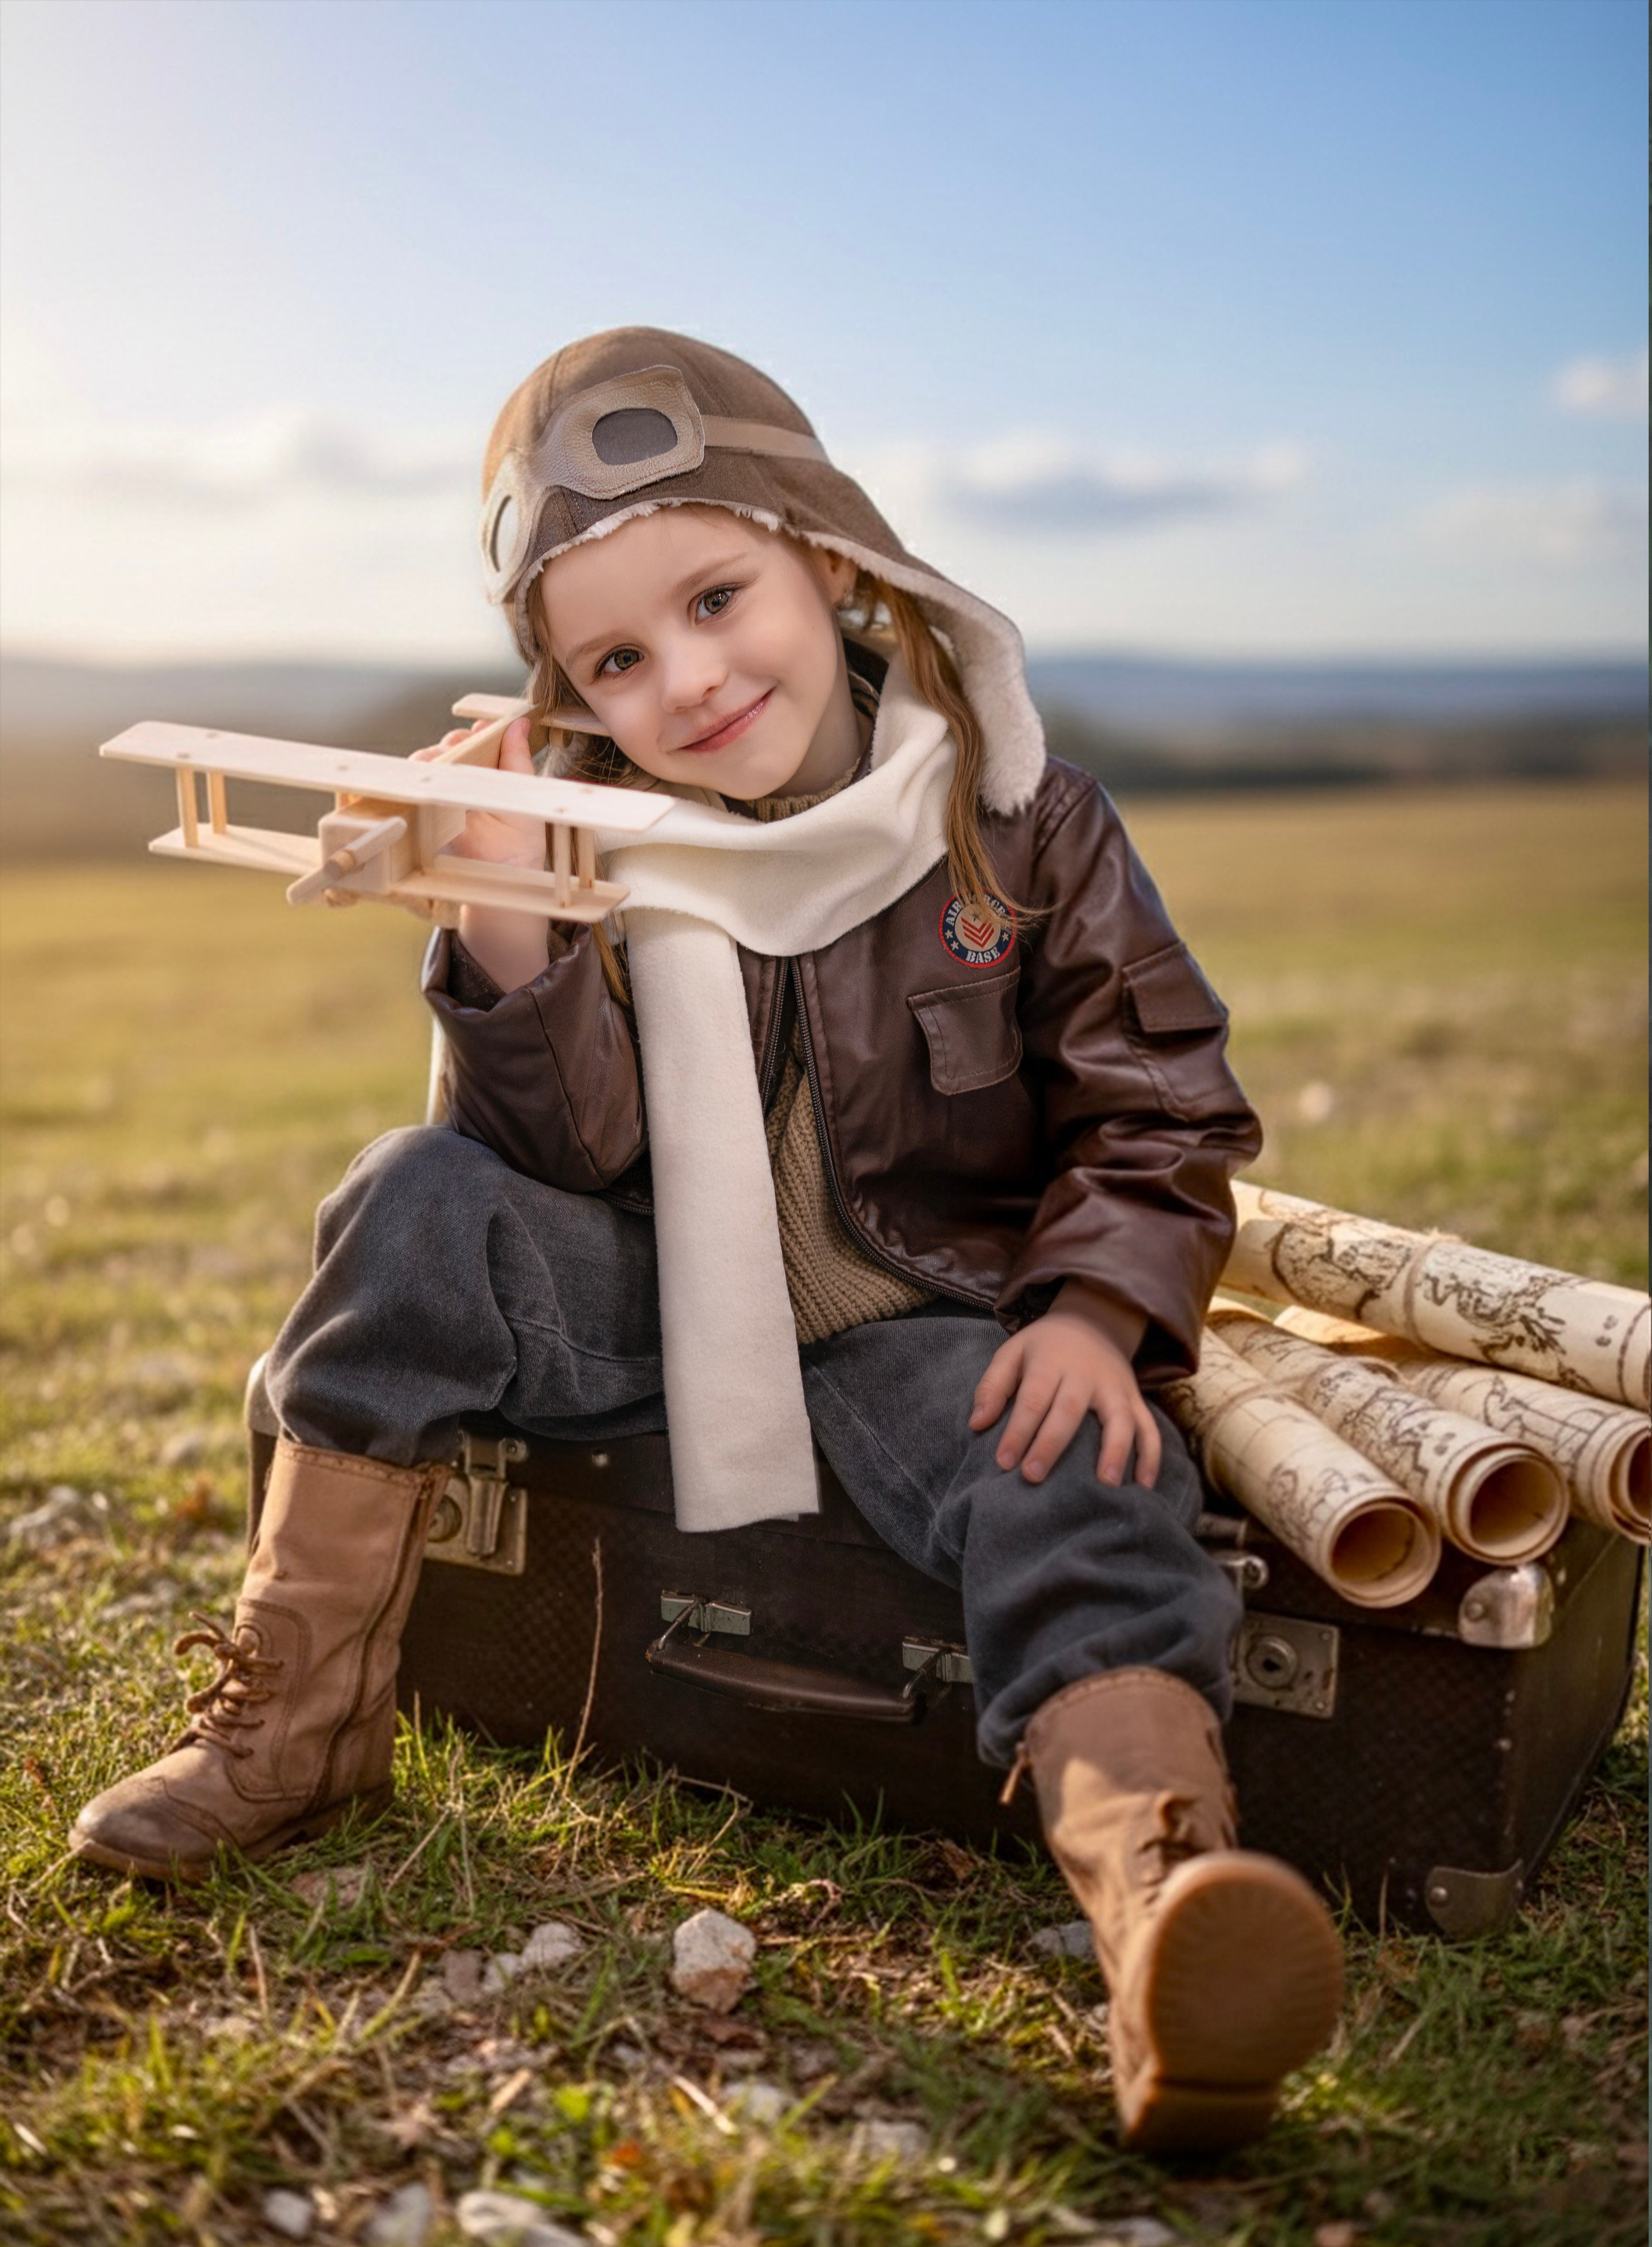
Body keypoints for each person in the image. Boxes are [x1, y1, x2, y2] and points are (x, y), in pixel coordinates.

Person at [71, 328, 1344, 2153]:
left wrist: (1086, 1304)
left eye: (717, 597)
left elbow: (1162, 1105)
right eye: (617, 656)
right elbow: (566, 1155)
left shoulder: (1017, 821)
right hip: (664, 1302)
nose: (688, 677)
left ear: (830, 560)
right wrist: (502, 923)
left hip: (933, 1311)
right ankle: (299, 1712)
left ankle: (1162, 1906)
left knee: (1079, 1460)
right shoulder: (601, 842)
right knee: (409, 1199)